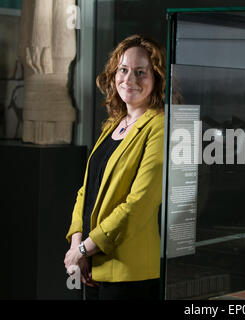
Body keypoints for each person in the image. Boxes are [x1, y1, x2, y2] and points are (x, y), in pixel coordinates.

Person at [64, 34, 166, 300]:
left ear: (157, 79)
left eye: (141, 72)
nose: (129, 79)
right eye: (123, 70)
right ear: (114, 74)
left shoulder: (160, 126)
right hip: (92, 266)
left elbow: (138, 204)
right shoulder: (114, 123)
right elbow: (86, 191)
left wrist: (85, 248)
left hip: (130, 272)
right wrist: (77, 243)